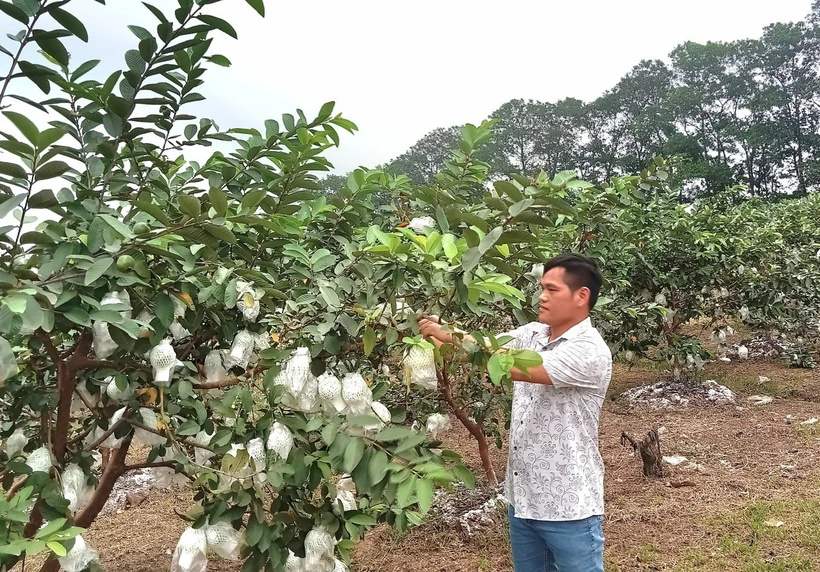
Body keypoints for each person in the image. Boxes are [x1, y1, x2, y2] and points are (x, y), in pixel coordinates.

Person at [419, 253, 612, 572]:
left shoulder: (590, 351)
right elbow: (482, 346)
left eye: (552, 289)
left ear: (581, 296)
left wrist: (449, 336)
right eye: (542, 288)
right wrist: (430, 336)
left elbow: (517, 364)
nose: (542, 296)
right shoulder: (533, 333)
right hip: (523, 497)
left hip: (568, 504)